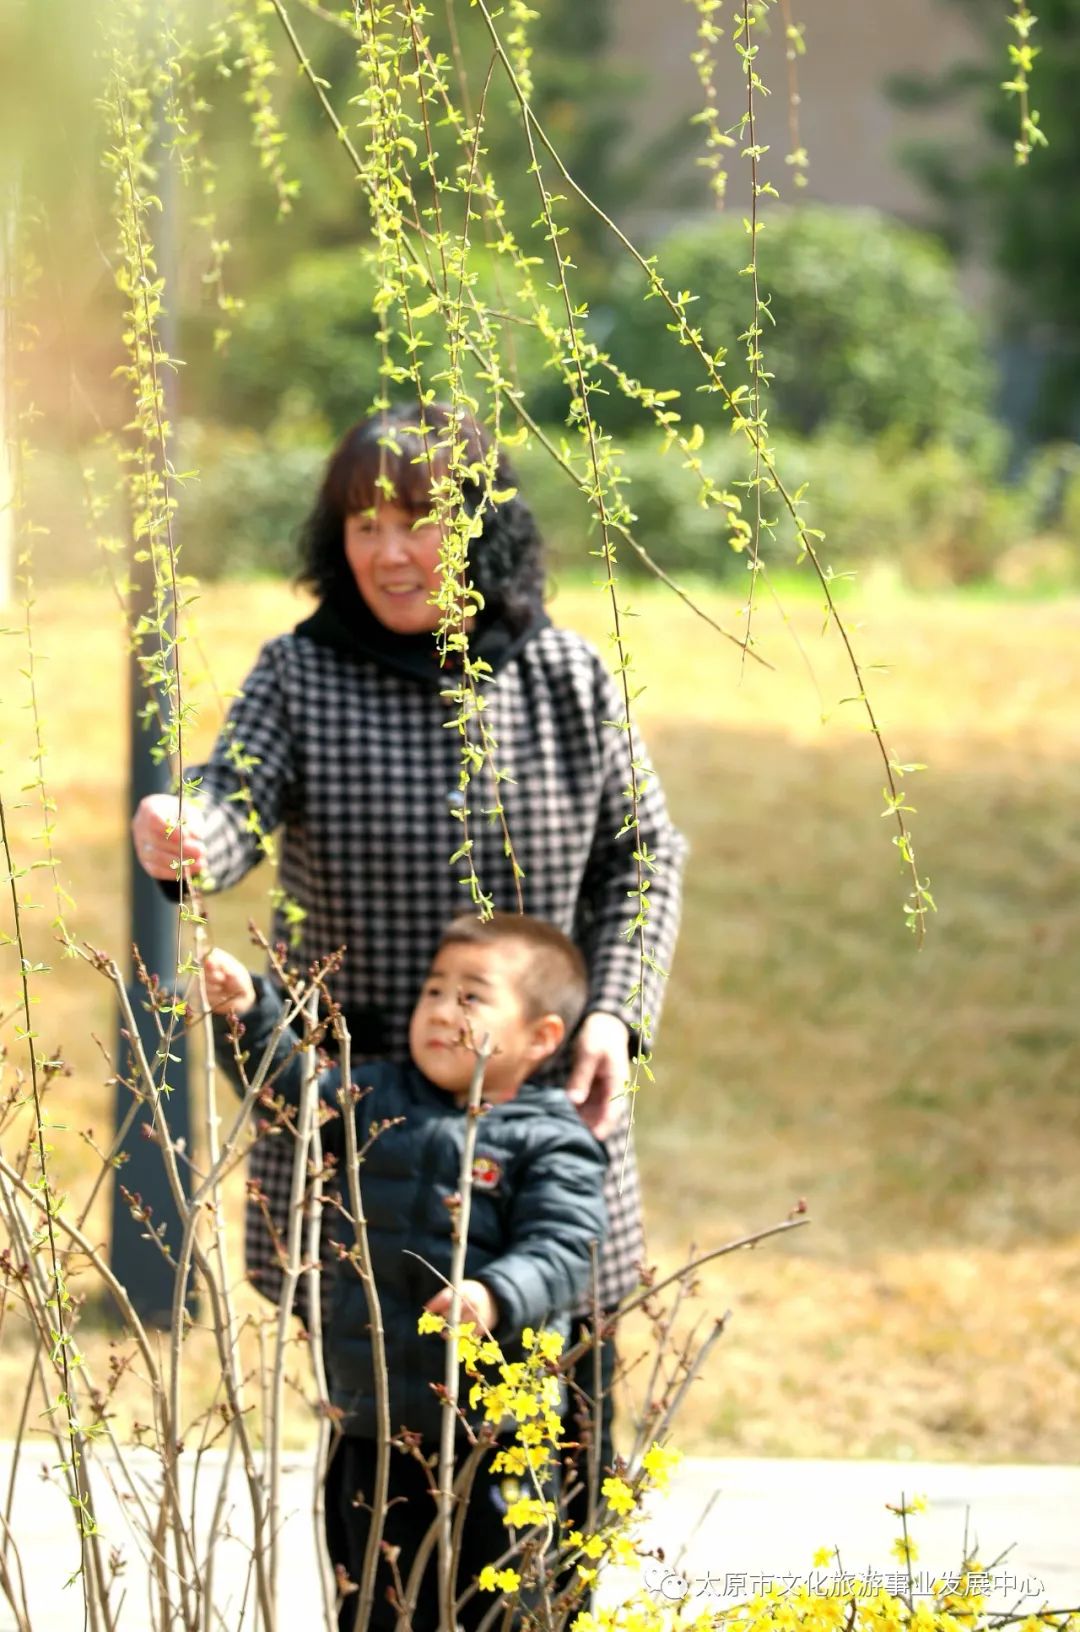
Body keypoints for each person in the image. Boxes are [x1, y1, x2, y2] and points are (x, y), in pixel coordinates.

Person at [132, 401, 686, 1500]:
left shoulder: (564, 677)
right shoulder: (302, 675)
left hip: (537, 1111)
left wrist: (615, 1015)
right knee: (383, 1488)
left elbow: (645, 854)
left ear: (485, 525)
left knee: (555, 1473)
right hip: (361, 1119)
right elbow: (236, 792)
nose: (389, 553)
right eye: (361, 524)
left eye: (420, 522)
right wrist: (187, 828)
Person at [203, 911, 608, 1632]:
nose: (442, 1011)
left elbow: (563, 1248)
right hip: (373, 1422)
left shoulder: (550, 1141)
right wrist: (250, 1014)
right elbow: (289, 1092)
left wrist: (496, 1292)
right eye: (433, 991)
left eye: (471, 996)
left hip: (495, 1432)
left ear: (542, 1037)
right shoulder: (375, 1100)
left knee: (499, 1606)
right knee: (374, 1597)